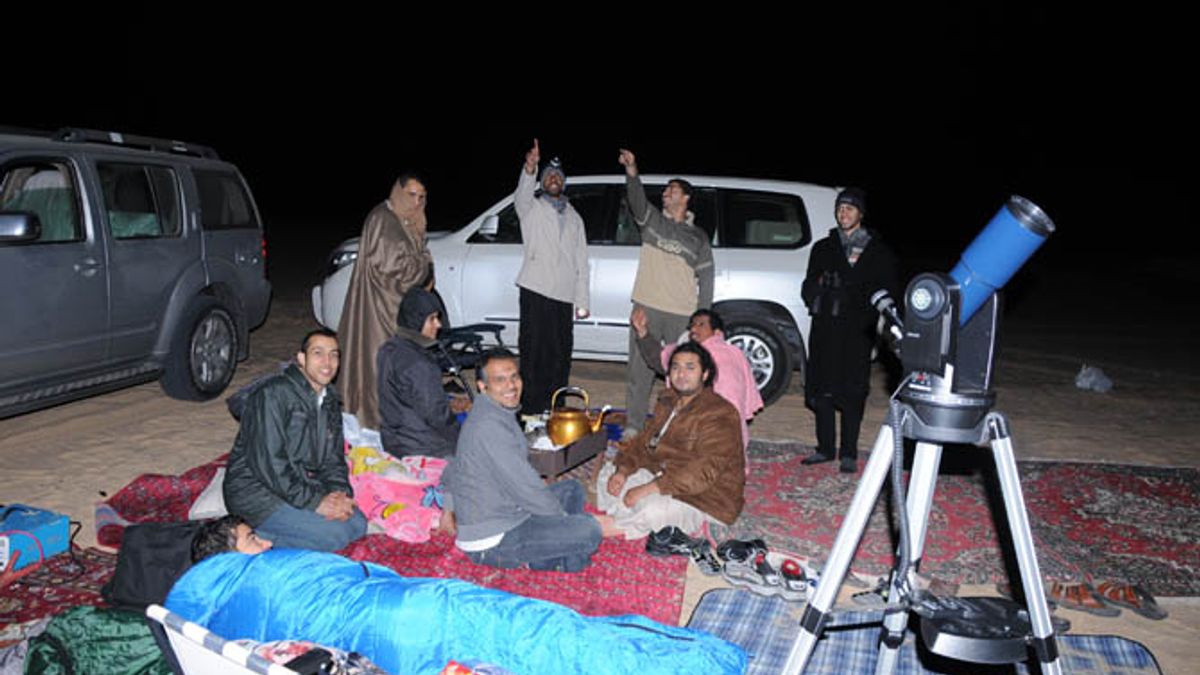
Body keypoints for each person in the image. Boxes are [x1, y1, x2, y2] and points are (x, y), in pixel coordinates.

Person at [166, 548, 747, 675]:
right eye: (251, 538)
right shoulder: (267, 566)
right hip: (420, 609)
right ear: (229, 547)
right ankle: (703, 664)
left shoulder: (219, 628)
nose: (263, 542)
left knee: (532, 649)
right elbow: (368, 574)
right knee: (545, 633)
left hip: (389, 650)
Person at [441, 349, 606, 572]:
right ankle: (564, 561)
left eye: (514, 377)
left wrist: (448, 507)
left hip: (510, 509)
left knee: (572, 489)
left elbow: (455, 462)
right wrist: (563, 522)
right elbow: (526, 486)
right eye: (500, 380)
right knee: (590, 529)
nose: (511, 386)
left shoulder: (491, 411)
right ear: (482, 386)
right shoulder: (489, 426)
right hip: (494, 539)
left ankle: (553, 557)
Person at [223, 329, 368, 551]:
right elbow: (270, 464)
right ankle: (252, 541)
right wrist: (315, 502)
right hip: (256, 491)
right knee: (335, 537)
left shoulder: (329, 401)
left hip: (296, 483)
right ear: (301, 359)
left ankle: (278, 533)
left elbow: (334, 460)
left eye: (334, 354)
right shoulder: (273, 394)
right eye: (318, 353)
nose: (327, 362)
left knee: (357, 524)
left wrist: (339, 494)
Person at [597, 342, 745, 539]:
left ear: (705, 374)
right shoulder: (668, 400)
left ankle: (617, 524)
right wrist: (623, 471)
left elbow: (704, 470)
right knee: (608, 475)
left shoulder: (720, 413)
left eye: (690, 368)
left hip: (704, 497)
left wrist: (649, 488)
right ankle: (628, 516)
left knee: (653, 510)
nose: (681, 374)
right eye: (676, 367)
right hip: (664, 474)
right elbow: (643, 443)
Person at [800, 187, 900, 473]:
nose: (843, 213)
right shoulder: (823, 247)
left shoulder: (877, 251)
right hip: (825, 329)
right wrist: (823, 291)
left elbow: (887, 289)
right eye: (840, 208)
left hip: (857, 331)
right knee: (822, 389)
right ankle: (824, 448)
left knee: (853, 391)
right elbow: (808, 286)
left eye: (850, 208)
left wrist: (853, 296)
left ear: (861, 214)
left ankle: (848, 453)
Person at [618, 148, 714, 436]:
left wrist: (702, 318)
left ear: (685, 198)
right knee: (639, 372)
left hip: (681, 313)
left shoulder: (698, 237)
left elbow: (706, 277)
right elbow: (637, 199)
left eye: (672, 190)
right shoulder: (652, 221)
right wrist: (632, 171)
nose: (665, 194)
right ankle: (634, 426)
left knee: (681, 374)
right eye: (665, 190)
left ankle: (676, 428)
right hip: (646, 307)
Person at [338, 174, 433, 430]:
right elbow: (394, 268)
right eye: (411, 195)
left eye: (422, 197)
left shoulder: (405, 219)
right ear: (399, 193)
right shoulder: (383, 219)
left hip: (397, 306)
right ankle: (375, 422)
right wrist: (424, 266)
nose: (416, 202)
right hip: (381, 307)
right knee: (379, 362)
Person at [514, 138, 590, 415]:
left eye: (558, 176)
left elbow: (582, 261)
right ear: (542, 182)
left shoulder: (575, 218)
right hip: (535, 289)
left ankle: (555, 409)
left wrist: (582, 301)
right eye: (548, 176)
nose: (554, 179)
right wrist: (530, 168)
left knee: (559, 355)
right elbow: (522, 194)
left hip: (564, 294)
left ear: (564, 183)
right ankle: (530, 410)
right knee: (533, 352)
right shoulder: (531, 208)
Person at [631, 307, 763, 451]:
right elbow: (659, 359)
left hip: (719, 433)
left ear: (717, 333)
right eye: (692, 325)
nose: (693, 328)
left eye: (701, 324)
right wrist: (642, 332)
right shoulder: (694, 352)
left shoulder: (725, 354)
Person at [377, 288, 466, 459]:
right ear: (415, 320)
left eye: (437, 318)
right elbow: (437, 417)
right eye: (432, 319)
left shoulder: (388, 348)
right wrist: (463, 436)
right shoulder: (420, 364)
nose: (438, 325)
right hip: (422, 446)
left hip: (392, 440)